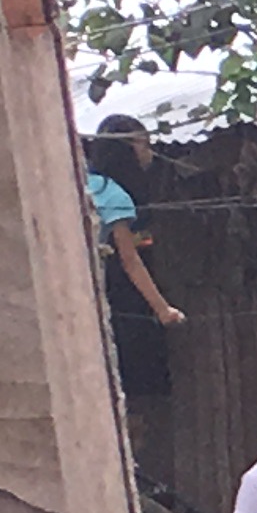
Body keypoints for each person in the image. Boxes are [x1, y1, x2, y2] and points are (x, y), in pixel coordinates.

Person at [85, 113, 183, 400]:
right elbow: (130, 260)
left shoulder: (81, 184)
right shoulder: (116, 196)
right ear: (124, 149)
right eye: (143, 144)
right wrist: (163, 309)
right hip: (111, 299)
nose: (149, 152)